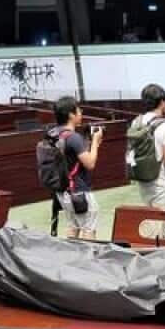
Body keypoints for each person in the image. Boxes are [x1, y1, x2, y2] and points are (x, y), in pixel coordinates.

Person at [47, 96, 102, 239]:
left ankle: (70, 253)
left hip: (62, 192)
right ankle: (89, 254)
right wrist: (95, 142)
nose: (81, 112)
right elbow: (90, 163)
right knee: (89, 228)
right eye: (78, 110)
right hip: (78, 192)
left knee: (73, 226)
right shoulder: (73, 137)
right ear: (71, 114)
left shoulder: (53, 135)